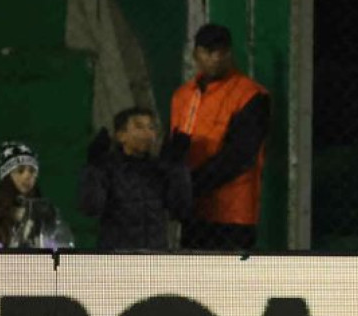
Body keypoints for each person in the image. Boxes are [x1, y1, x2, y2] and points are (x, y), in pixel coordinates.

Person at [171, 23, 271, 250]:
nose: (216, 58)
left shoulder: (250, 95)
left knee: (228, 273)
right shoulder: (182, 96)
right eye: (209, 51)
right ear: (196, 54)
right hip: (194, 211)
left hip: (232, 214)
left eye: (222, 51)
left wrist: (189, 186)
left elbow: (240, 155)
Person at [79, 107, 192, 250]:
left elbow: (180, 209)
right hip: (117, 255)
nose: (147, 133)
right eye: (139, 127)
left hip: (155, 254)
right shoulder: (108, 169)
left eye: (151, 127)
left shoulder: (159, 169)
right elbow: (91, 207)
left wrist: (177, 166)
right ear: (121, 136)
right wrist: (94, 168)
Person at [0, 141, 74, 249]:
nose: (27, 176)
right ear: (7, 176)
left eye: (32, 171)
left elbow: (63, 245)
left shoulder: (46, 211)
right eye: (20, 171)